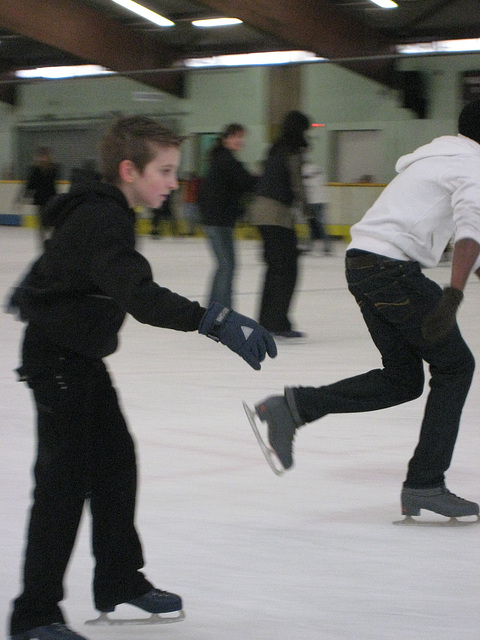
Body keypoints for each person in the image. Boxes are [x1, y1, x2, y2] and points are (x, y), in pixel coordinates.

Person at [6, 116, 277, 640]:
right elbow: (140, 295)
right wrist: (215, 320)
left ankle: (118, 580)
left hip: (76, 357)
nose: (175, 183)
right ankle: (34, 614)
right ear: (129, 171)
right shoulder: (103, 218)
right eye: (166, 170)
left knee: (115, 466)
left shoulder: (101, 209)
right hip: (59, 360)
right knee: (62, 486)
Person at [249, 100, 480, 521]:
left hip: (363, 263)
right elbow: (470, 231)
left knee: (403, 379)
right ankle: (425, 482)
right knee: (456, 367)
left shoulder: (438, 156)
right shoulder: (472, 166)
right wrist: (454, 294)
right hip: (393, 271)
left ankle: (294, 407)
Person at [249, 110, 311, 339]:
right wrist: (308, 211)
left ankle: (268, 320)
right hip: (277, 214)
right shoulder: (293, 149)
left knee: (275, 268)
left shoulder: (275, 147)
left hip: (262, 212)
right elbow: (296, 183)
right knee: (287, 270)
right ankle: (277, 322)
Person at [199, 124, 257, 308]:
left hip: (219, 219)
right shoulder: (226, 161)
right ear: (225, 140)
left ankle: (215, 306)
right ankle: (221, 308)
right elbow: (247, 182)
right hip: (218, 220)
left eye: (241, 137)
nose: (240, 140)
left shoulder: (223, 160)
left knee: (225, 264)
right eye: (235, 136)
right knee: (227, 264)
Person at [22, 146, 59, 249]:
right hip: (39, 201)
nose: (44, 158)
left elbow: (54, 185)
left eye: (46, 156)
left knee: (50, 223)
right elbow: (30, 185)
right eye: (42, 156)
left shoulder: (54, 169)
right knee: (41, 225)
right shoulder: (34, 170)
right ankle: (44, 244)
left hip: (51, 200)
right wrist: (24, 196)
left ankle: (51, 242)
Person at [302, 160, 331, 255]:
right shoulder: (319, 169)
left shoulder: (304, 170)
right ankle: (326, 246)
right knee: (320, 224)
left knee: (312, 224)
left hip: (312, 200)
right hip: (321, 199)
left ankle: (312, 245)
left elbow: (304, 184)